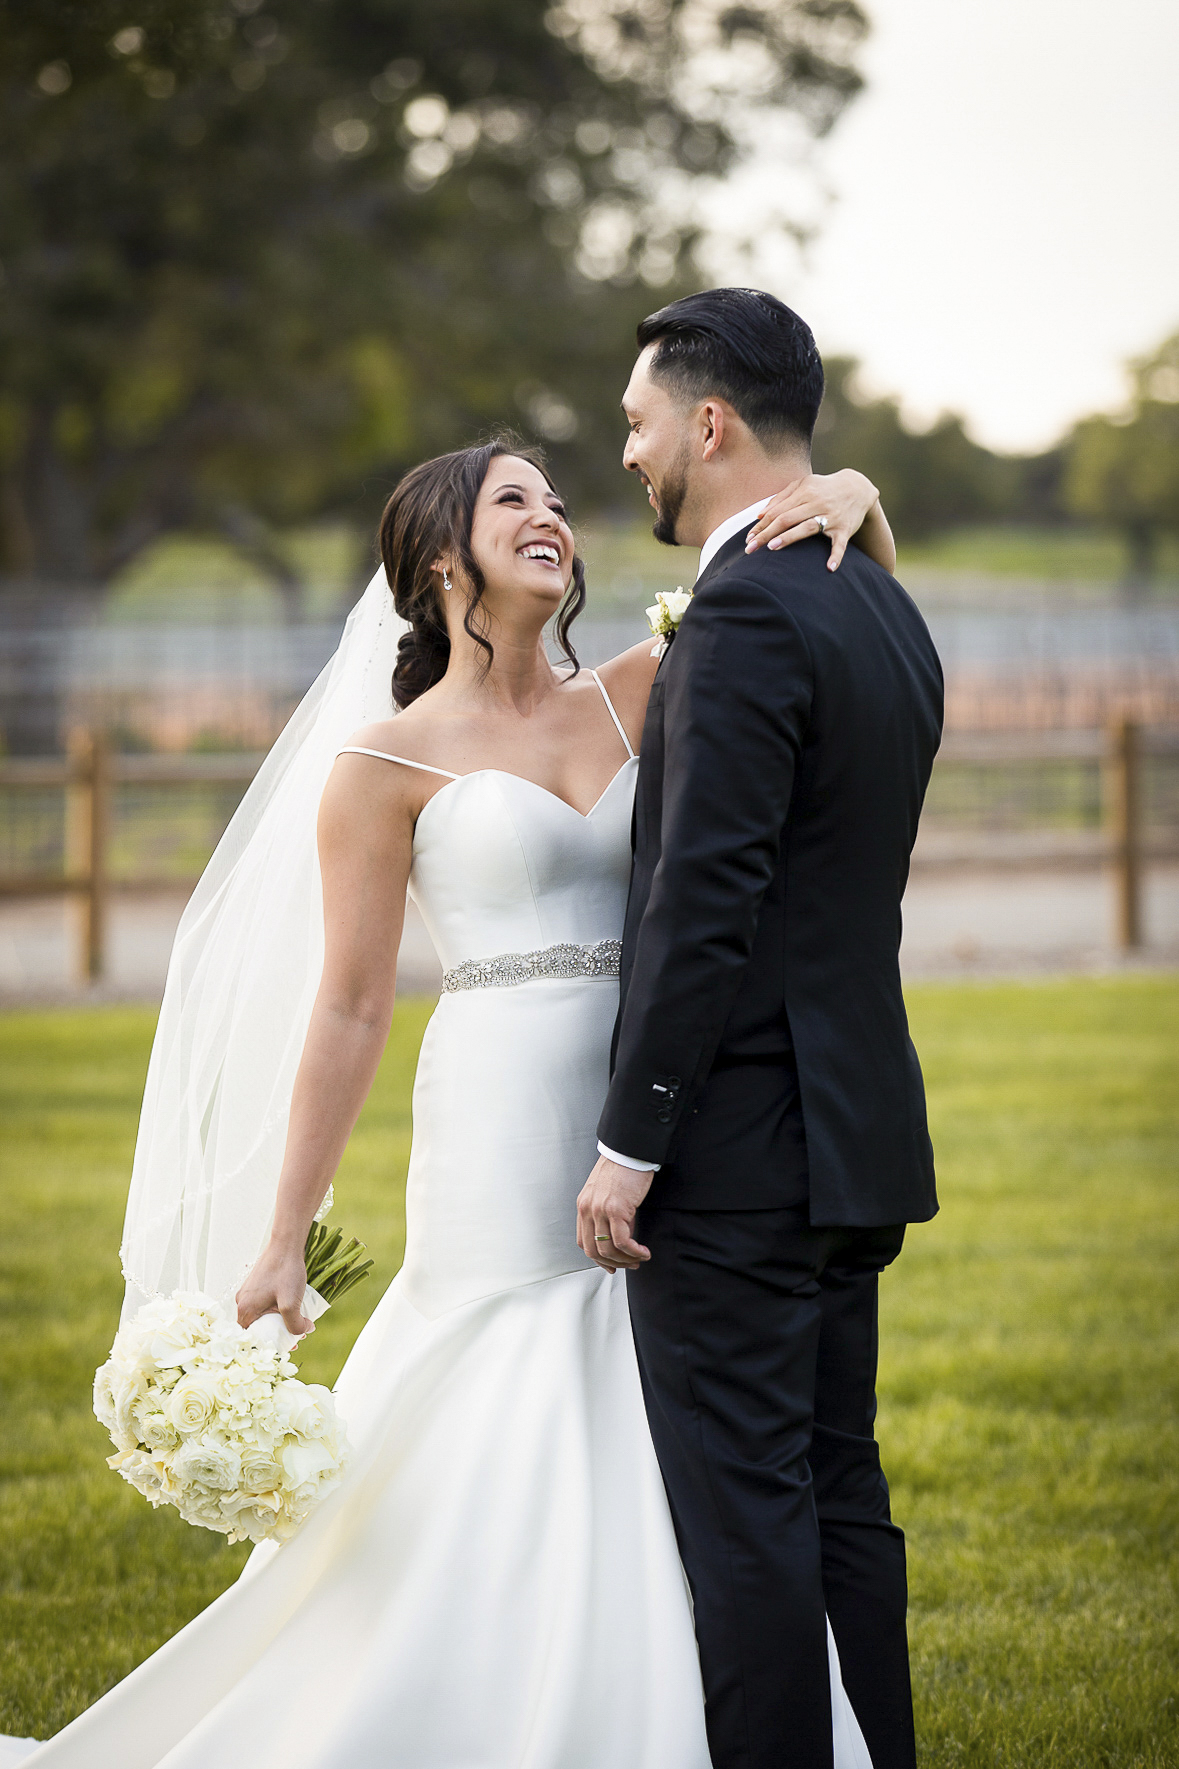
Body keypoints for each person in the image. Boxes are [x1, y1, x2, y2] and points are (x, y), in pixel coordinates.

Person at [1, 422, 896, 1767]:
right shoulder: (381, 763)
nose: (551, 517)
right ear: (438, 561)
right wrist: (283, 1232)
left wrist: (855, 498)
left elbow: (829, 622)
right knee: (512, 1362)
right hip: (495, 1105)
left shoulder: (653, 680)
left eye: (557, 499)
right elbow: (352, 1005)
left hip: (657, 1090)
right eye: (510, 501)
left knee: (662, 1374)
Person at [576, 288, 944, 1769]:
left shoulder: (740, 612)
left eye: (639, 422)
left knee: (745, 1530)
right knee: (841, 1493)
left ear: (710, 424)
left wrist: (631, 1144)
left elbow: (706, 902)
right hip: (854, 1136)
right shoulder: (882, 602)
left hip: (736, 1159)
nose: (627, 452)